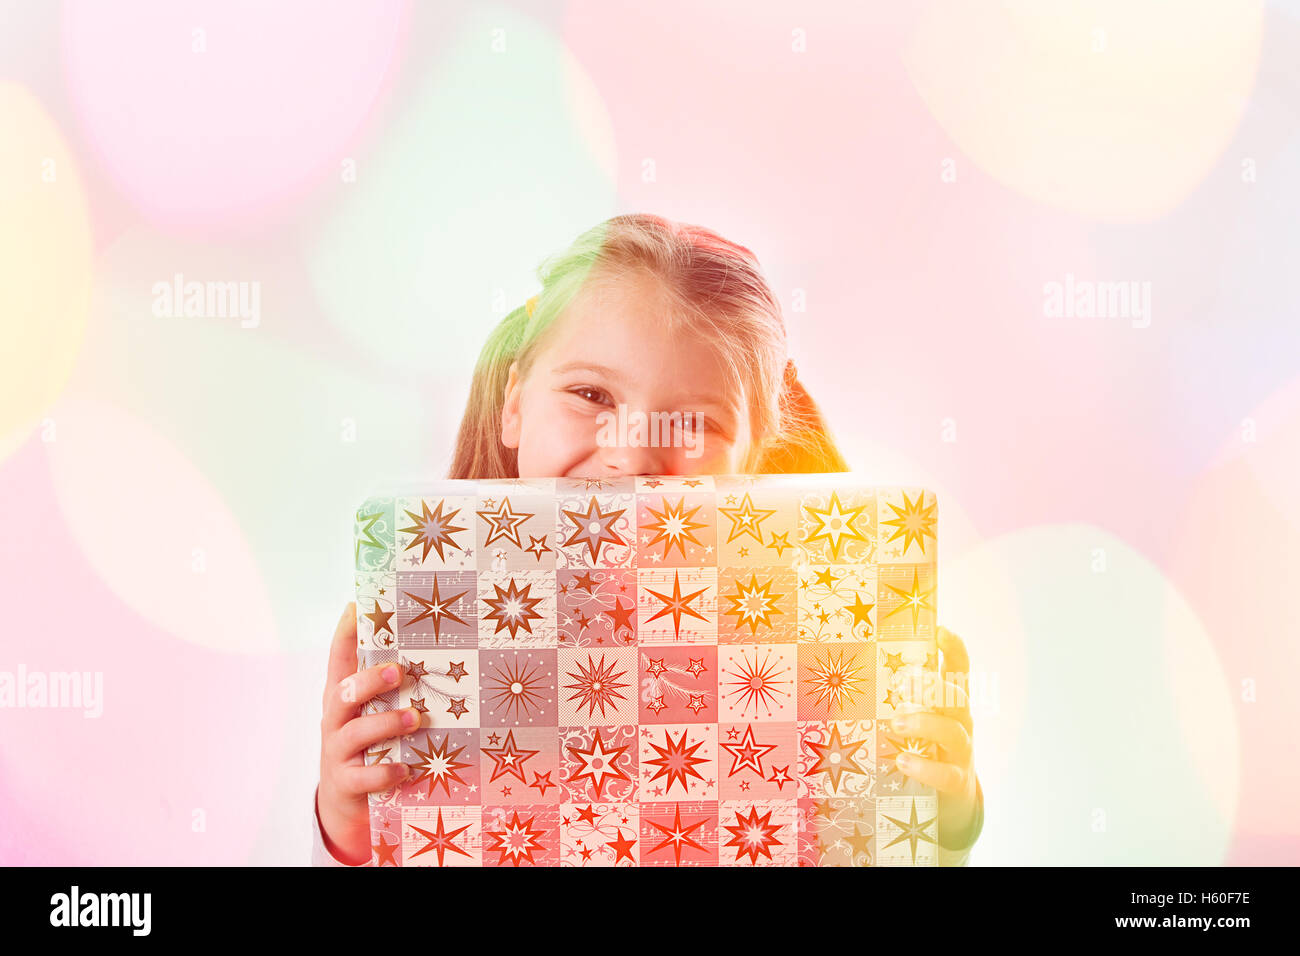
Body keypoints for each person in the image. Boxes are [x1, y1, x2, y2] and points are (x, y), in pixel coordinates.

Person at [313, 213, 984, 866]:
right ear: (514, 402)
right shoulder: (431, 628)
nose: (631, 458)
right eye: (591, 395)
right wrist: (348, 832)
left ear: (753, 459)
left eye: (691, 423)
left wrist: (937, 830)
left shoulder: (822, 661)